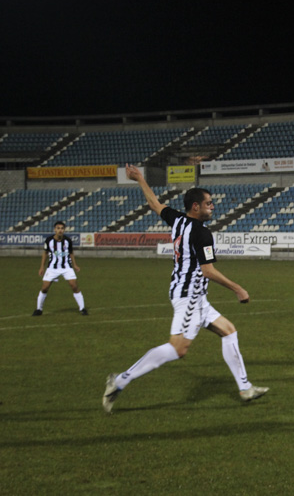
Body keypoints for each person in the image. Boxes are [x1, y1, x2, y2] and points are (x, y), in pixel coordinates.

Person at [102, 165, 268, 413]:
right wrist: (238, 289)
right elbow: (208, 270)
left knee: (229, 331)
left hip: (192, 293)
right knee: (178, 348)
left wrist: (140, 179)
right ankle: (120, 380)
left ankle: (245, 388)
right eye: (209, 203)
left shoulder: (178, 219)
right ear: (196, 207)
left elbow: (155, 204)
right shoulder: (202, 234)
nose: (212, 206)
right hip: (190, 294)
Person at [33, 220, 88, 316]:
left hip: (66, 267)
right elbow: (45, 253)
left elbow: (71, 253)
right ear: (55, 229)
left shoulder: (68, 240)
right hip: (52, 268)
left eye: (62, 228)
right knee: (45, 288)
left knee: (74, 286)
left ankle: (82, 308)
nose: (60, 230)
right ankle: (39, 309)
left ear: (64, 230)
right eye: (58, 228)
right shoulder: (49, 240)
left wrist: (74, 265)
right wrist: (42, 267)